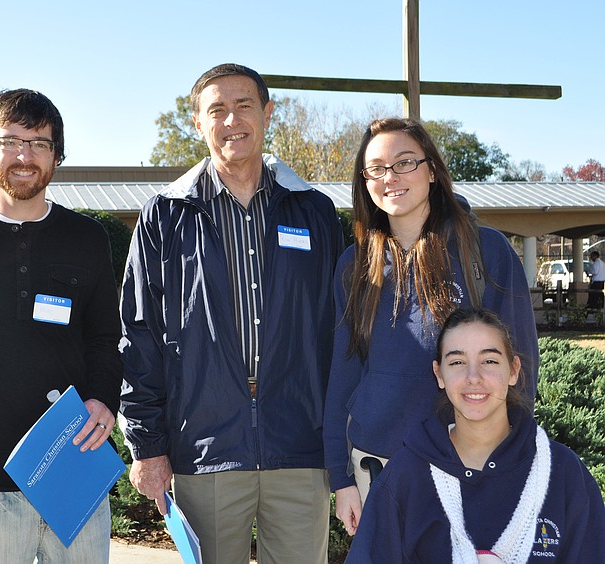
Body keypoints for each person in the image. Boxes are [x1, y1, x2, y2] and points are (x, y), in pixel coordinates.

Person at [120, 63, 344, 564]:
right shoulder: (164, 215)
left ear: (267, 113)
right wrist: (147, 446)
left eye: (244, 106)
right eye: (216, 109)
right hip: (205, 449)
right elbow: (140, 336)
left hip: (299, 446)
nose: (231, 120)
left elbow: (337, 330)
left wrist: (340, 438)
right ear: (198, 122)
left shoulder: (315, 212)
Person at [324, 117, 539, 538]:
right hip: (375, 469)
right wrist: (341, 477)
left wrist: (508, 460)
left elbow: (520, 365)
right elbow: (343, 371)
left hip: (466, 464)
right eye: (376, 168)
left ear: (433, 170)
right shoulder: (354, 265)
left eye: (405, 162)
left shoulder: (486, 251)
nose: (390, 177)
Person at [0, 89, 122, 563]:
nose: (25, 156)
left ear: (57, 155)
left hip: (73, 468)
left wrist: (103, 399)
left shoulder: (87, 237)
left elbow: (105, 337)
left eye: (40, 143)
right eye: (11, 141)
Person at [346, 307, 605, 562]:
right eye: (457, 362)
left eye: (489, 361)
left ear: (513, 370)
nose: (473, 377)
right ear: (439, 374)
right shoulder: (406, 474)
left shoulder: (563, 472)